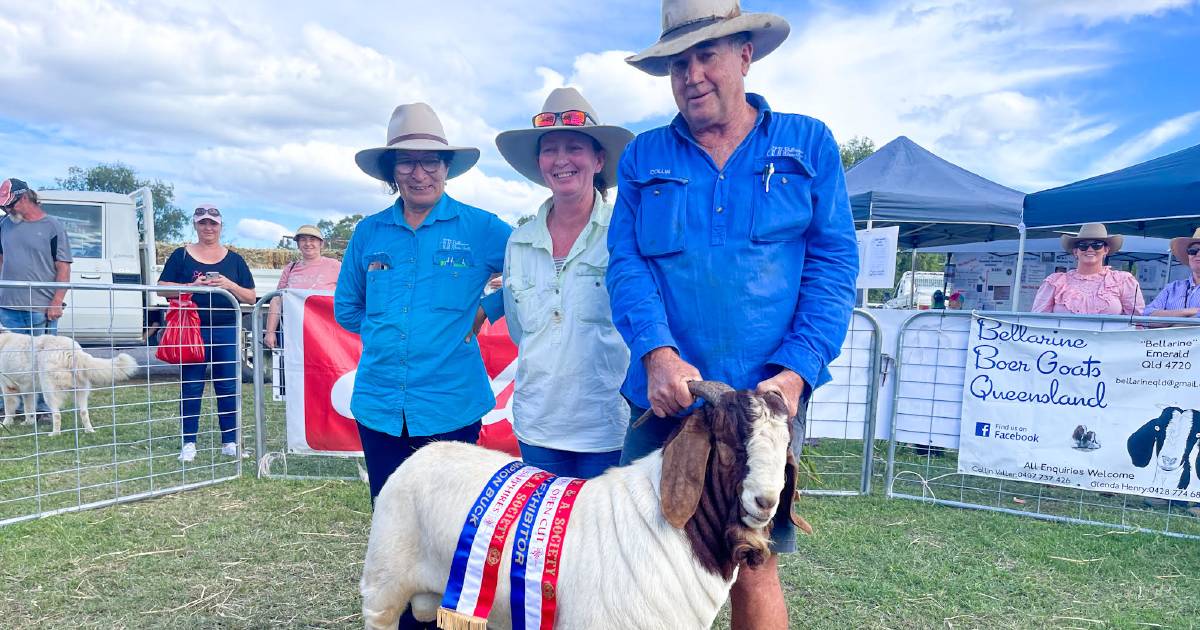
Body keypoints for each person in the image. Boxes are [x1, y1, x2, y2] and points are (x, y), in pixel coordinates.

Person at [608, 2, 859, 627]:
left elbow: (833, 267)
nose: (691, 74)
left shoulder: (809, 143)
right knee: (641, 547)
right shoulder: (644, 157)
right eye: (678, 62)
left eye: (706, 56)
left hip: (766, 399)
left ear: (745, 54)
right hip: (666, 394)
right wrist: (657, 355)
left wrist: (795, 373)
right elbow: (626, 264)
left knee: (754, 554)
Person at [335, 102, 511, 507]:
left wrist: (490, 306)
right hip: (379, 404)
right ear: (391, 172)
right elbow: (347, 307)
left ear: (447, 167)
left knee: (451, 520)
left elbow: (534, 269)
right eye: (406, 163)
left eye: (431, 162)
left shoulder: (482, 227)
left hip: (452, 404)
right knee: (389, 515)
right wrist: (386, 334)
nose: (419, 174)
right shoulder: (369, 232)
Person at [494, 87, 634, 478]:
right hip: (538, 423)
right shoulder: (519, 242)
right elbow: (521, 330)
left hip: (609, 425)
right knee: (545, 538)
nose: (561, 160)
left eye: (574, 147)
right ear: (540, 163)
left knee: (604, 537)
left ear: (598, 159)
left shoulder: (625, 233)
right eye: (550, 149)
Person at [158, 205, 256, 462]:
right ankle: (189, 443)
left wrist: (228, 284)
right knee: (191, 385)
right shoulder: (181, 256)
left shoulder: (235, 260)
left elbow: (251, 296)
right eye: (203, 223)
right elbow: (160, 289)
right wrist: (192, 286)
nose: (208, 228)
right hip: (192, 329)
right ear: (195, 226)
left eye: (213, 223)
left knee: (228, 386)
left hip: (226, 328)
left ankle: (230, 441)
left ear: (221, 226)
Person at [0, 177, 73, 417]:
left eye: (10, 205)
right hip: (7, 306)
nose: (7, 210)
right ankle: (10, 407)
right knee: (9, 360)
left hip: (40, 307)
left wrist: (56, 301)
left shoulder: (53, 226)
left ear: (25, 198)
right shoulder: (4, 225)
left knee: (42, 359)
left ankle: (43, 408)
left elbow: (63, 267)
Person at [1031, 223, 1145, 315]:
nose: (1090, 249)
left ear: (1106, 250)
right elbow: (1037, 319)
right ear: (1076, 251)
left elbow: (1137, 321)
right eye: (1083, 245)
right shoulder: (1055, 282)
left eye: (1097, 244)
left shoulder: (1123, 280)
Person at [263, 224, 341, 349]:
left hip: (327, 332)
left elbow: (348, 295)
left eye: (312, 239)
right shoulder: (290, 268)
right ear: (298, 244)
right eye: (303, 239)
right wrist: (270, 332)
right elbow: (277, 300)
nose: (308, 243)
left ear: (321, 244)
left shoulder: (335, 266)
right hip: (294, 333)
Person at [1144, 227, 1200, 319]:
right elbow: (1147, 315)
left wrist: (1171, 323)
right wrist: (1187, 312)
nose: (1198, 254)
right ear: (1188, 255)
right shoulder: (1172, 288)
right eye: (1193, 250)